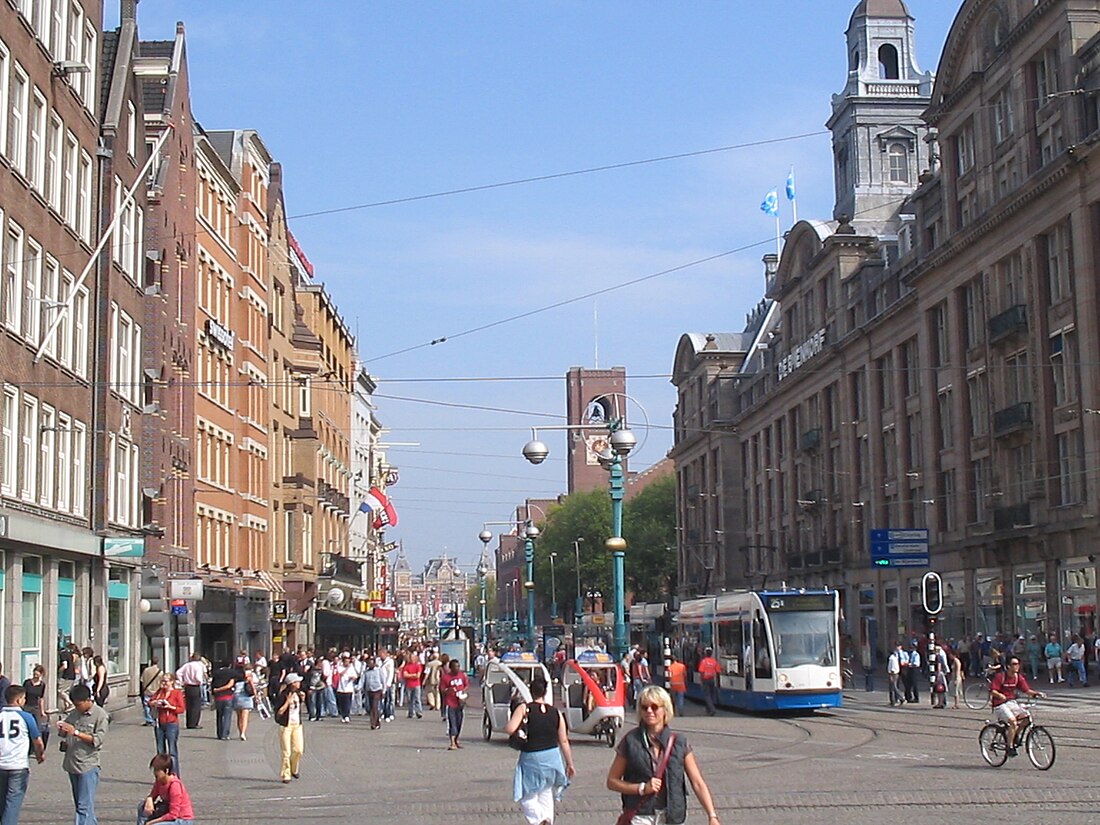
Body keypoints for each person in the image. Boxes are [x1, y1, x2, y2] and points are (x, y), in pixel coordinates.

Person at [607, 685, 720, 825]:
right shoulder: (631, 741)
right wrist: (641, 788)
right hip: (641, 816)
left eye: (654, 707)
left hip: (672, 817)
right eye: (644, 707)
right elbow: (612, 781)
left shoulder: (679, 742)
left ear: (665, 709)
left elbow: (697, 782)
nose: (649, 711)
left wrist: (712, 815)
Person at [504, 674, 574, 825]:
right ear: (545, 692)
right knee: (546, 792)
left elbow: (509, 729)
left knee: (527, 795)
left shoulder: (525, 708)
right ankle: (548, 820)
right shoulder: (555, 712)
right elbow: (563, 740)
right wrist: (570, 763)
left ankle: (540, 820)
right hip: (553, 756)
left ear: (531, 691)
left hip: (532, 756)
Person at [58, 683, 109, 825]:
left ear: (88, 700)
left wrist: (76, 733)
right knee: (82, 805)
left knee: (83, 806)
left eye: (79, 704)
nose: (77, 707)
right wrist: (63, 730)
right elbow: (65, 731)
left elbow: (97, 740)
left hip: (88, 765)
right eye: (75, 704)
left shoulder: (100, 715)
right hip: (72, 763)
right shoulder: (74, 714)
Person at [0, 684, 45, 824]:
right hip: (18, 765)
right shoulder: (26, 717)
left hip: (1, 765)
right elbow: (38, 741)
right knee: (13, 802)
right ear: (19, 700)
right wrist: (40, 755)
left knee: (1, 803)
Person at [990, 656, 1044, 756]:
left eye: (1018, 664)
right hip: (999, 704)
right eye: (1014, 664)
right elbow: (993, 691)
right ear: (1008, 666)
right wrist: (1000, 695)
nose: (1017, 666)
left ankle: (1015, 735)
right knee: (1013, 722)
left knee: (1027, 718)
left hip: (1011, 703)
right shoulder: (1000, 677)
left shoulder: (1018, 677)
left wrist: (1036, 694)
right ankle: (1009, 747)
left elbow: (1026, 690)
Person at [136, 753, 194, 825]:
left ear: (166, 771)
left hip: (182, 820)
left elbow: (173, 815)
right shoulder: (159, 781)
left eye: (157, 770)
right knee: (142, 806)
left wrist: (151, 822)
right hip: (166, 811)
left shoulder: (175, 786)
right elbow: (152, 795)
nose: (155, 773)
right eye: (154, 770)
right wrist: (149, 799)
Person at [149, 674, 184, 776]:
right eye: (163, 681)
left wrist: (170, 706)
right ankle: (161, 774)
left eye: (166, 681)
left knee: (172, 750)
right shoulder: (160, 692)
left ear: (172, 681)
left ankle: (174, 774)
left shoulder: (177, 693)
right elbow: (150, 701)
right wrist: (155, 702)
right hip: (159, 723)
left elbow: (181, 709)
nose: (164, 683)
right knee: (160, 750)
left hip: (171, 724)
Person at [274, 673, 305, 784]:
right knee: (286, 751)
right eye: (297, 682)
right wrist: (287, 702)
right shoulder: (283, 695)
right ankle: (286, 774)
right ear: (292, 683)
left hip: (297, 725)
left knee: (298, 750)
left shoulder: (298, 694)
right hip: (286, 725)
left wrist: (302, 699)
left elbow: (297, 709)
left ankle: (294, 768)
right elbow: (279, 712)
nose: (299, 684)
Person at [440, 658, 469, 750]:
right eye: (455, 667)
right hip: (450, 702)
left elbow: (466, 685)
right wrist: (449, 690)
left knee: (459, 722)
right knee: (452, 723)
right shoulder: (446, 677)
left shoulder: (462, 675)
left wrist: (463, 693)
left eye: (458, 666)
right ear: (451, 668)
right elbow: (442, 689)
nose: (457, 669)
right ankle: (452, 742)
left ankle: (457, 740)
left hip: (460, 702)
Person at [175, 654, 206, 730]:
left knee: (189, 705)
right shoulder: (198, 666)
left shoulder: (186, 665)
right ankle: (194, 723)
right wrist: (200, 682)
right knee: (196, 706)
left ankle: (189, 723)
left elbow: (178, 672)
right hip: (195, 686)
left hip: (187, 686)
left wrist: (181, 681)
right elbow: (198, 677)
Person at [22, 664, 49, 748]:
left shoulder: (42, 685)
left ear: (41, 675)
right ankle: (27, 746)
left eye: (37, 675)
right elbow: (22, 695)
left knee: (37, 728)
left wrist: (42, 711)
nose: (35, 676)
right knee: (25, 726)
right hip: (26, 706)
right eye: (34, 674)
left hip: (35, 707)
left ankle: (37, 747)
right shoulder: (27, 683)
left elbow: (41, 699)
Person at [209, 660, 236, 741]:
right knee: (227, 716)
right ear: (229, 665)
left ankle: (219, 733)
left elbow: (212, 685)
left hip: (218, 698)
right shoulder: (231, 672)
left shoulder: (216, 673)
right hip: (228, 696)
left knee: (219, 716)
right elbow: (241, 676)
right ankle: (225, 734)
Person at [232, 657, 255, 740]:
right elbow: (252, 686)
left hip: (237, 697)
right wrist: (256, 696)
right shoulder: (249, 676)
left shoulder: (235, 677)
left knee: (239, 717)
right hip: (246, 697)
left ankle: (240, 731)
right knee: (245, 717)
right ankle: (243, 733)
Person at [334, 652, 360, 723]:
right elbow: (340, 674)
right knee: (341, 703)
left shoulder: (352, 668)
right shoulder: (340, 667)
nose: (347, 663)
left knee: (348, 703)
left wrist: (353, 678)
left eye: (348, 661)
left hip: (349, 689)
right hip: (341, 688)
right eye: (346, 662)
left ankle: (347, 716)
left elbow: (355, 676)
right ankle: (343, 715)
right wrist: (347, 668)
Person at [138, 658, 163, 727]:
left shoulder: (146, 670)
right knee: (156, 705)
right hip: (156, 691)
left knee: (147, 705)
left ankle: (149, 720)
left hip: (147, 690)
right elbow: (162, 682)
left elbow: (142, 680)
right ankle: (155, 718)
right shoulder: (160, 672)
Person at [361, 658, 385, 730]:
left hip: (377, 690)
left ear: (374, 663)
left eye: (371, 663)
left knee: (374, 706)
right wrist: (358, 688)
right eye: (368, 663)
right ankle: (377, 722)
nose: (370, 664)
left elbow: (383, 681)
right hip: (369, 691)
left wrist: (384, 691)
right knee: (371, 707)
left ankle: (373, 723)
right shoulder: (366, 672)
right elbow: (362, 681)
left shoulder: (379, 671)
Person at [696, 648, 720, 716]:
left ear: (706, 654)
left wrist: (701, 681)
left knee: (707, 695)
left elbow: (701, 672)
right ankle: (708, 709)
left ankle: (712, 709)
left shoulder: (703, 662)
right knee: (711, 695)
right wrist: (718, 682)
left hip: (705, 680)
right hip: (712, 679)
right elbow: (718, 671)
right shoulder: (714, 661)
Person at [400, 653, 424, 719]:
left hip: (416, 685)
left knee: (417, 699)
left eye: (413, 658)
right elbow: (405, 675)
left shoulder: (418, 666)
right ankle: (411, 712)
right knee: (410, 700)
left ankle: (419, 712)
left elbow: (418, 676)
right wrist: (413, 675)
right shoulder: (406, 666)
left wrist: (409, 675)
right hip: (409, 685)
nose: (411, 659)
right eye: (410, 658)